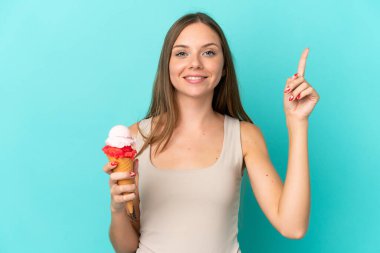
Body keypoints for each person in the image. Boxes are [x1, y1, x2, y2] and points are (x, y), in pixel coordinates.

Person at [102, 12, 320, 253]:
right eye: (182, 53)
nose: (195, 63)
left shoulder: (244, 137)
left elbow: (293, 226)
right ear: (167, 65)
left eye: (208, 52)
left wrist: (297, 123)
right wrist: (117, 209)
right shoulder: (134, 139)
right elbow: (125, 249)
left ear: (224, 67)